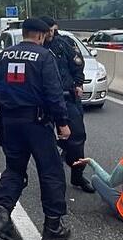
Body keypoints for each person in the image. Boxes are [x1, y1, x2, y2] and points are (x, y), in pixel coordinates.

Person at [0, 17, 72, 240]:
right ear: (40, 35)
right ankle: (53, 225)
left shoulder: (3, 56)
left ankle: (3, 216)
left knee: (14, 169)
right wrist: (62, 122)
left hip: (9, 121)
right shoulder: (44, 57)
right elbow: (53, 93)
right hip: (36, 123)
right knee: (51, 171)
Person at [40, 16, 93, 194]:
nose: (50, 33)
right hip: (44, 100)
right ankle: (51, 181)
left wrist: (78, 83)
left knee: (77, 137)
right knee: (44, 141)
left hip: (67, 96)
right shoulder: (36, 48)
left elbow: (77, 65)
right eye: (46, 30)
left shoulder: (64, 44)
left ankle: (77, 175)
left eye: (52, 30)